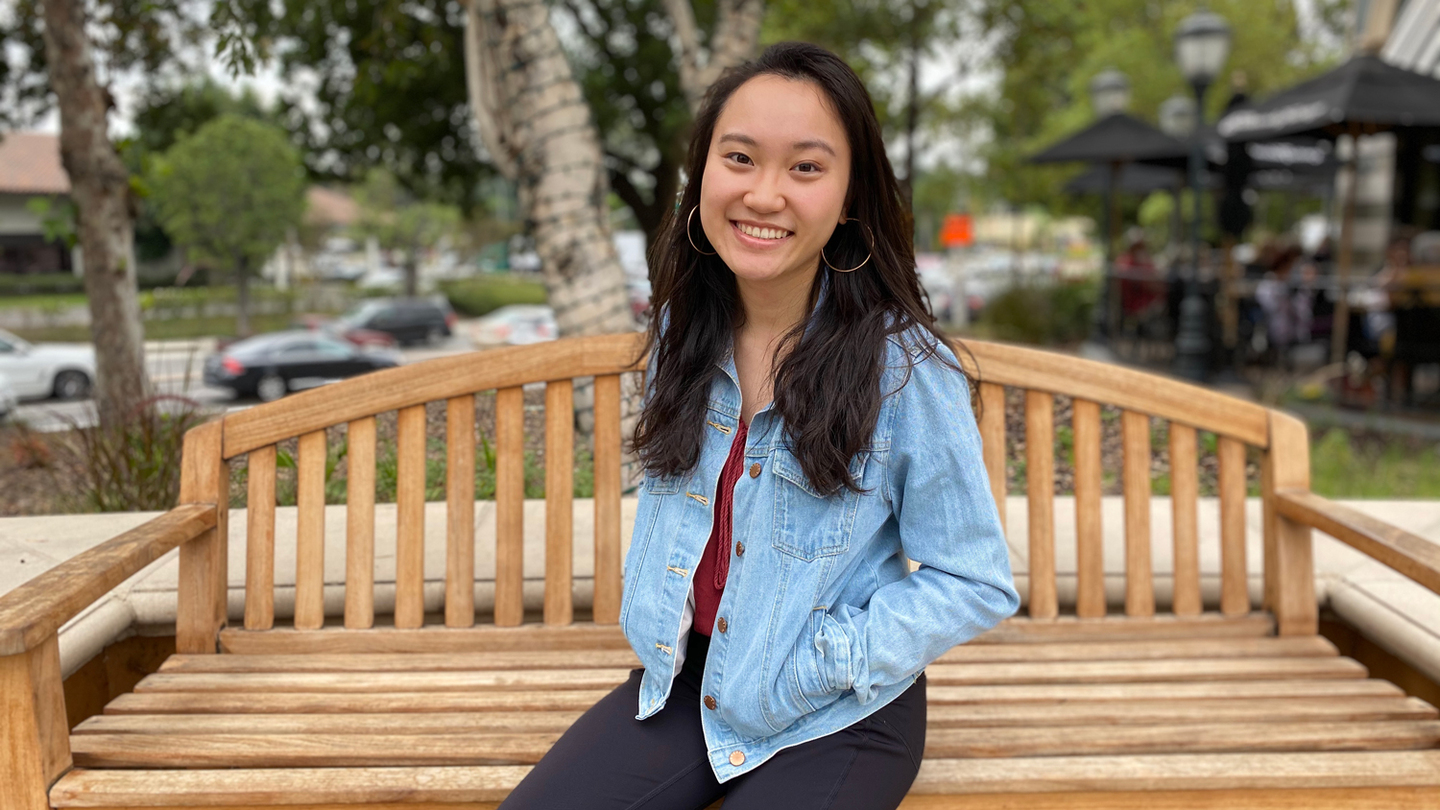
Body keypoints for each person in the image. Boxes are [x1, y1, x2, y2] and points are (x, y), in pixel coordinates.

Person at [498, 42, 1019, 810]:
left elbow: (975, 578)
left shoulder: (906, 370)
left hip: (840, 712)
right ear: (702, 173)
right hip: (686, 684)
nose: (764, 194)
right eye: (739, 158)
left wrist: (820, 660)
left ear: (849, 196)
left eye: (806, 167)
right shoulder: (683, 327)